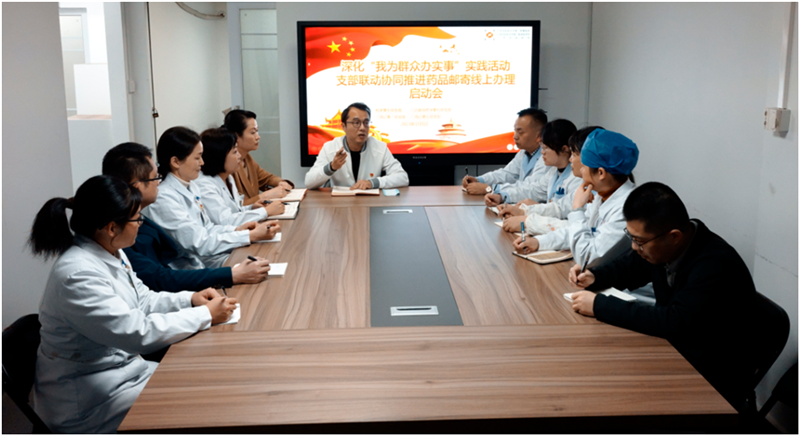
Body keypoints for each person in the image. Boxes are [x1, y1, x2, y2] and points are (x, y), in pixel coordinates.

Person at [29, 175, 238, 433]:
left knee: (206, 381)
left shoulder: (112, 250)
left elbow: (144, 299)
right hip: (91, 400)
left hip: (123, 372)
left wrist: (190, 299)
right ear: (111, 228)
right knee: (204, 404)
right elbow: (137, 333)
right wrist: (205, 315)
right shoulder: (77, 275)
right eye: (137, 218)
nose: (141, 224)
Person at [568, 182, 758, 411]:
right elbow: (631, 266)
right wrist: (596, 276)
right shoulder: (665, 247)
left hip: (709, 378)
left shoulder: (715, 266)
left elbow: (674, 322)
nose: (634, 247)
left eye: (639, 241)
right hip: (673, 352)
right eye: (631, 236)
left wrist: (600, 305)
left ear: (674, 236)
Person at [102, 142, 271, 292]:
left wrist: (239, 231)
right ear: (137, 185)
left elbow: (206, 228)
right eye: (155, 177)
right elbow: (160, 276)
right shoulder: (135, 223)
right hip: (190, 274)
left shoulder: (141, 219)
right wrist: (232, 272)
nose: (159, 182)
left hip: (192, 273)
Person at [146, 127, 279, 269]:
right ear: (176, 162)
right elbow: (199, 243)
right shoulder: (164, 199)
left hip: (208, 257)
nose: (202, 163)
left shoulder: (191, 186)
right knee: (263, 264)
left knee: (268, 258)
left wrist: (238, 230)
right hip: (193, 267)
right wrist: (249, 235)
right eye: (197, 158)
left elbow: (208, 228)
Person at [513, 128, 638, 268]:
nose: (581, 171)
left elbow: (586, 258)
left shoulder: (626, 209)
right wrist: (539, 242)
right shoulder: (604, 194)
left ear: (601, 173)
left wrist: (577, 209)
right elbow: (576, 232)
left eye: (584, 167)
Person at [498, 119, 581, 233]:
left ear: (564, 149)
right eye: (542, 147)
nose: (542, 152)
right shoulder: (553, 171)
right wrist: (503, 196)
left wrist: (526, 215)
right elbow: (534, 189)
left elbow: (562, 211)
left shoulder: (577, 179)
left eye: (546, 148)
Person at [304, 102, 409, 190]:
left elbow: (402, 177)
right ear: (343, 126)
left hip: (369, 203)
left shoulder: (380, 147)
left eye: (366, 123)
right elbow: (309, 182)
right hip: (339, 204)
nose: (362, 128)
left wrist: (372, 183)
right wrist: (331, 167)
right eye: (356, 123)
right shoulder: (330, 148)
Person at [195, 127, 286, 226]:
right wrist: (266, 212)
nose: (239, 156)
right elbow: (226, 221)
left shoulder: (228, 177)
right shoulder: (205, 185)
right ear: (219, 156)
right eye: (235, 152)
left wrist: (251, 208)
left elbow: (236, 210)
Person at [461, 108, 551, 206]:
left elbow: (530, 187)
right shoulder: (524, 153)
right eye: (515, 131)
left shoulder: (547, 158)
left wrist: (490, 189)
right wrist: (479, 180)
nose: (515, 136)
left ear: (538, 136)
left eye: (520, 132)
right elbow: (506, 174)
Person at [224, 109, 294, 206]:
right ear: (237, 137)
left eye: (257, 131)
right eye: (253, 133)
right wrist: (265, 196)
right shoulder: (228, 165)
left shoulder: (247, 158)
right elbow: (236, 207)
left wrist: (281, 183)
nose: (258, 137)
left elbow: (267, 178)